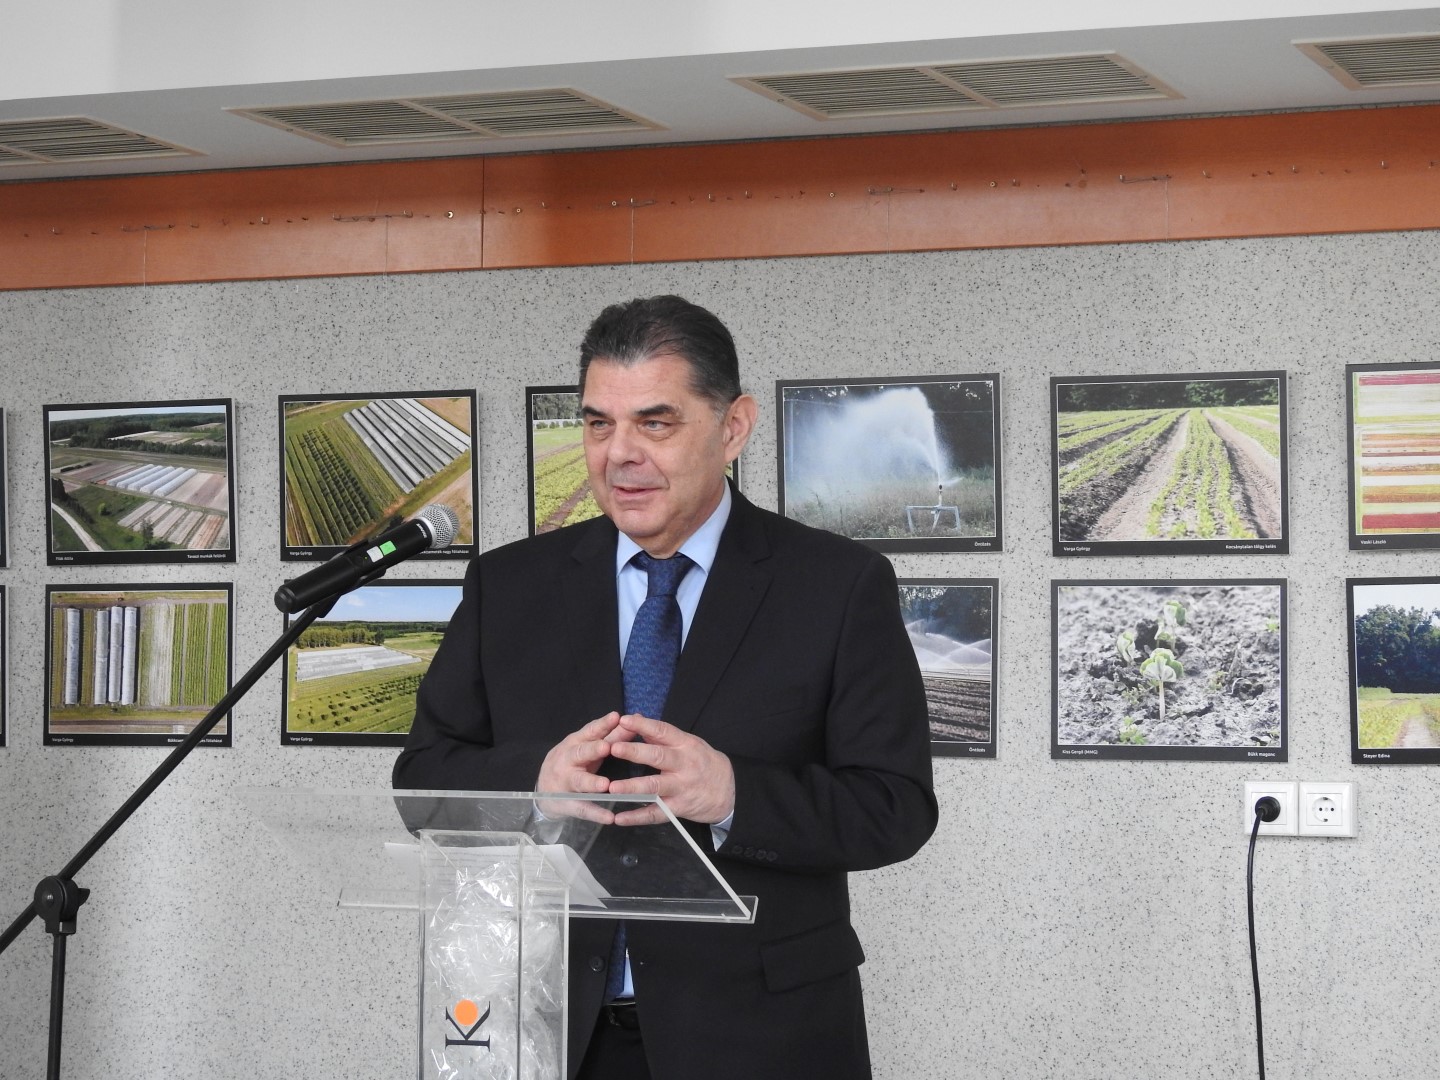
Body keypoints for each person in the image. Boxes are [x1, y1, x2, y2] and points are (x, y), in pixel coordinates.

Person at [393, 294, 937, 1080]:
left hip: (761, 1041)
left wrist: (734, 794)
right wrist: (534, 784)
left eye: (655, 423)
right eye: (598, 424)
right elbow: (423, 782)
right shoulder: (508, 587)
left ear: (734, 427)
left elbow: (894, 807)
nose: (620, 453)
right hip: (549, 1034)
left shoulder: (838, 585)